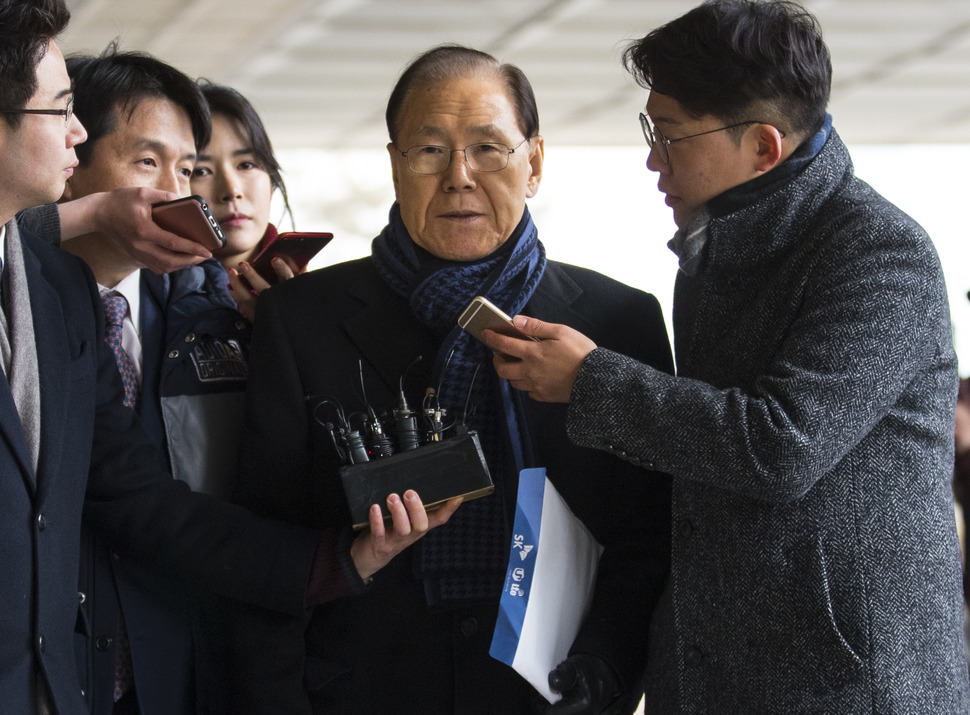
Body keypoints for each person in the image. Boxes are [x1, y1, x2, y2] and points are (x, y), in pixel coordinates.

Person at [485, 1, 970, 711]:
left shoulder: (877, 252)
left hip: (847, 684)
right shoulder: (716, 251)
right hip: (719, 673)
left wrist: (592, 381)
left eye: (670, 135)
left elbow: (780, 445)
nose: (653, 157)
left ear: (764, 148)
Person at [0, 2, 457, 712]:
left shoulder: (216, 314)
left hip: (181, 659)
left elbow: (147, 494)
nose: (182, 191)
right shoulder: (46, 285)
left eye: (188, 168)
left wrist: (336, 560)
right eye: (148, 161)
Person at [233, 44, 674, 714]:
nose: (459, 176)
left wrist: (609, 667)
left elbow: (648, 533)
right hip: (361, 688)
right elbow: (263, 541)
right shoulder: (301, 320)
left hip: (551, 691)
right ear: (394, 166)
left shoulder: (619, 321)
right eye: (430, 150)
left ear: (535, 164)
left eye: (488, 148)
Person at [191, 81, 296, 321]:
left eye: (246, 165)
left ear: (272, 183)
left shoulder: (321, 299)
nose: (231, 190)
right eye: (201, 171)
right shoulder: (142, 299)